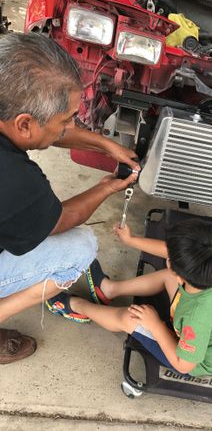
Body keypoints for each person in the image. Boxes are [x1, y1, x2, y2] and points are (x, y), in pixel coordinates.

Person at [0, 32, 139, 364]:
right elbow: (60, 221)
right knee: (79, 247)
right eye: (66, 119)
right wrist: (107, 187)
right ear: (24, 125)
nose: (70, 125)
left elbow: (46, 130)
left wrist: (106, 145)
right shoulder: (15, 180)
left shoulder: (10, 111)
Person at [47, 219, 212, 376]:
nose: (168, 256)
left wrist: (156, 325)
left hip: (190, 360)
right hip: (191, 316)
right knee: (167, 275)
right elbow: (172, 252)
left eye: (171, 258)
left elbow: (183, 365)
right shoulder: (211, 271)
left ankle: (78, 306)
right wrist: (131, 240)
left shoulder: (196, 319)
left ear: (183, 276)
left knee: (129, 318)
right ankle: (108, 290)